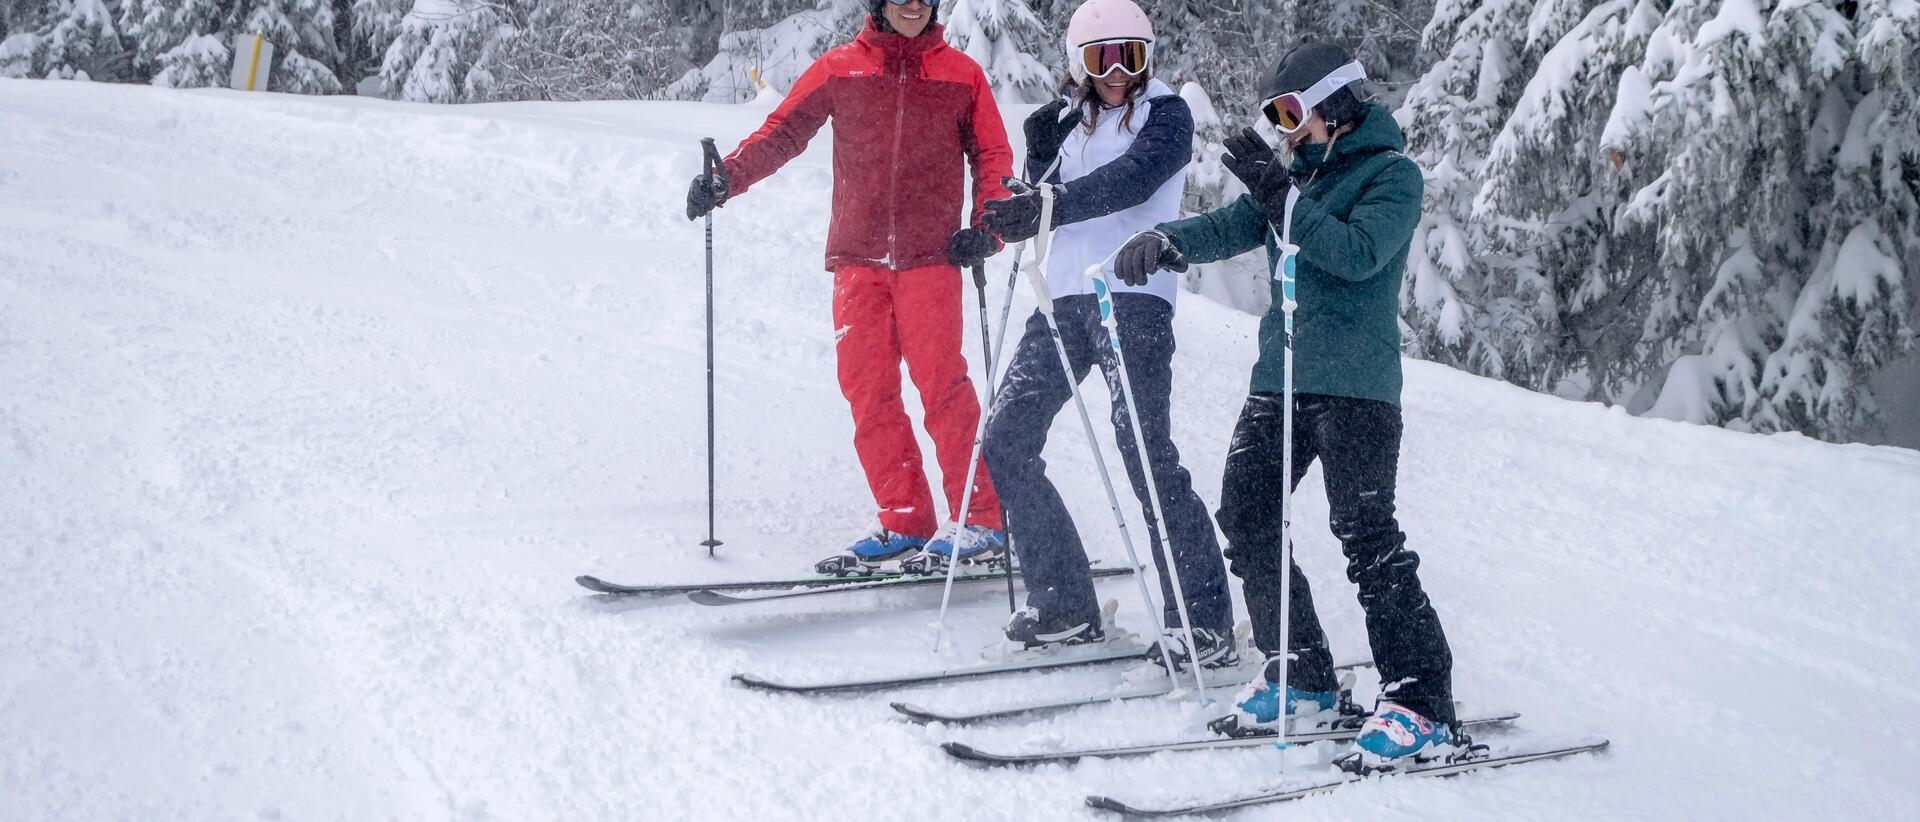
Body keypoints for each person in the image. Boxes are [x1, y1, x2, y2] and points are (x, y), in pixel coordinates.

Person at [1114, 42, 1457, 766]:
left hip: (1357, 389)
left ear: (1335, 105)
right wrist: (1165, 241)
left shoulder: (1392, 176)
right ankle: (1301, 673)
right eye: (1273, 116)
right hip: (1282, 378)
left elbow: (1356, 253)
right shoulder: (1292, 178)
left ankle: (1421, 701)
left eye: (1291, 112)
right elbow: (1230, 227)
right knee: (1247, 513)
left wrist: (1284, 197)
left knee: (1367, 537)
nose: (1282, 130)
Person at [685, 0, 1015, 576]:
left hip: (931, 257)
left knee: (943, 388)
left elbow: (992, 154)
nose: (913, 4)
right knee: (868, 391)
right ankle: (905, 517)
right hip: (857, 260)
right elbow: (783, 130)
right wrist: (726, 178)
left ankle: (982, 518)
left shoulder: (962, 74)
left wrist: (988, 227)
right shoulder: (841, 68)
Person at [977, 0, 1234, 667]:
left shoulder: (1167, 114)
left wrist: (1050, 200)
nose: (1118, 73)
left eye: (1132, 57)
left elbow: (1132, 180)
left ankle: (1201, 622)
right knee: (1005, 438)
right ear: (1078, 63)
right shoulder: (1066, 124)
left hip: (1131, 295)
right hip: (1061, 297)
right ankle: (1064, 604)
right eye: (1101, 58)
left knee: (1145, 453)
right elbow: (1034, 207)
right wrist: (991, 224)